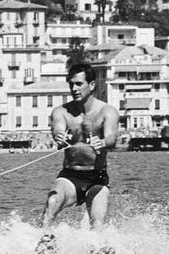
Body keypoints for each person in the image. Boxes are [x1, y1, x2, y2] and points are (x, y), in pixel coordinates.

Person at [41, 63, 119, 229]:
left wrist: (103, 142)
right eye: (71, 84)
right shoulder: (61, 111)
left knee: (97, 224)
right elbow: (57, 128)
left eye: (79, 84)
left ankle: (99, 251)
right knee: (52, 202)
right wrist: (59, 137)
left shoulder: (107, 111)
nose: (74, 88)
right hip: (70, 176)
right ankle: (44, 245)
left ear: (91, 85)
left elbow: (112, 138)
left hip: (96, 178)